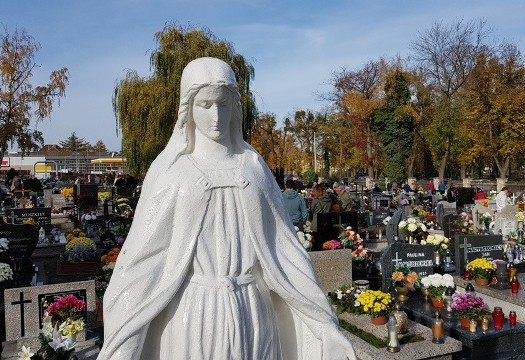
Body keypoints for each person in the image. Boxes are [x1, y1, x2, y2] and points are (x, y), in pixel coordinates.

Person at [98, 58, 355, 360]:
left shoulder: (252, 166)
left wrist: (321, 320)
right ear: (187, 108)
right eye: (204, 105)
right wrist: (124, 337)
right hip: (193, 313)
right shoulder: (172, 170)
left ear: (235, 105)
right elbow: (144, 258)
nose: (216, 116)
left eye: (223, 104)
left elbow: (283, 246)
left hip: (254, 311)